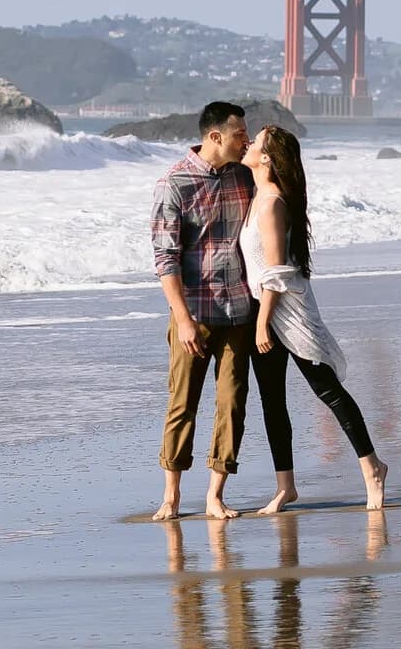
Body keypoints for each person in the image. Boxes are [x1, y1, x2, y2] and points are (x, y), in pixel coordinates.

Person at [241, 125, 388, 513]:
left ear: (267, 158)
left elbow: (275, 270)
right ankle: (285, 487)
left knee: (327, 390)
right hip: (263, 308)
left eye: (254, 142)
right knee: (272, 401)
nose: (248, 144)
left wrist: (262, 322)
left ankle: (372, 468)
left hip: (286, 311)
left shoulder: (272, 202)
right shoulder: (257, 194)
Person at [151, 101, 256, 521]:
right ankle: (171, 497)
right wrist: (182, 319)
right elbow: (166, 259)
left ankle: (215, 495)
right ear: (215, 137)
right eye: (239, 135)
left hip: (239, 312)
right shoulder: (173, 184)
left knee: (232, 403)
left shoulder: (244, 176)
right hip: (192, 313)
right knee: (183, 404)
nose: (245, 140)